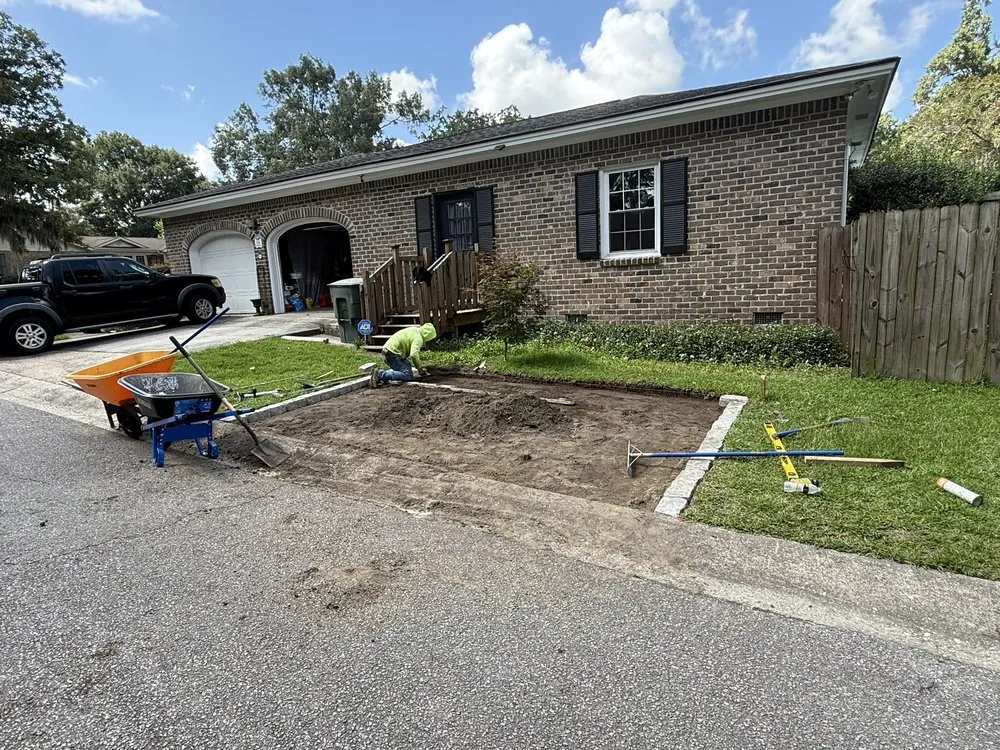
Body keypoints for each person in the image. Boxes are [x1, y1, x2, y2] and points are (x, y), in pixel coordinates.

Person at [366, 322, 437, 387]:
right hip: (392, 354)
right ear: (428, 335)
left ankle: (377, 373)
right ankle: (380, 374)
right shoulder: (418, 338)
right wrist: (419, 368)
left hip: (387, 351)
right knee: (407, 375)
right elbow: (414, 354)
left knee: (407, 365)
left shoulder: (414, 329)